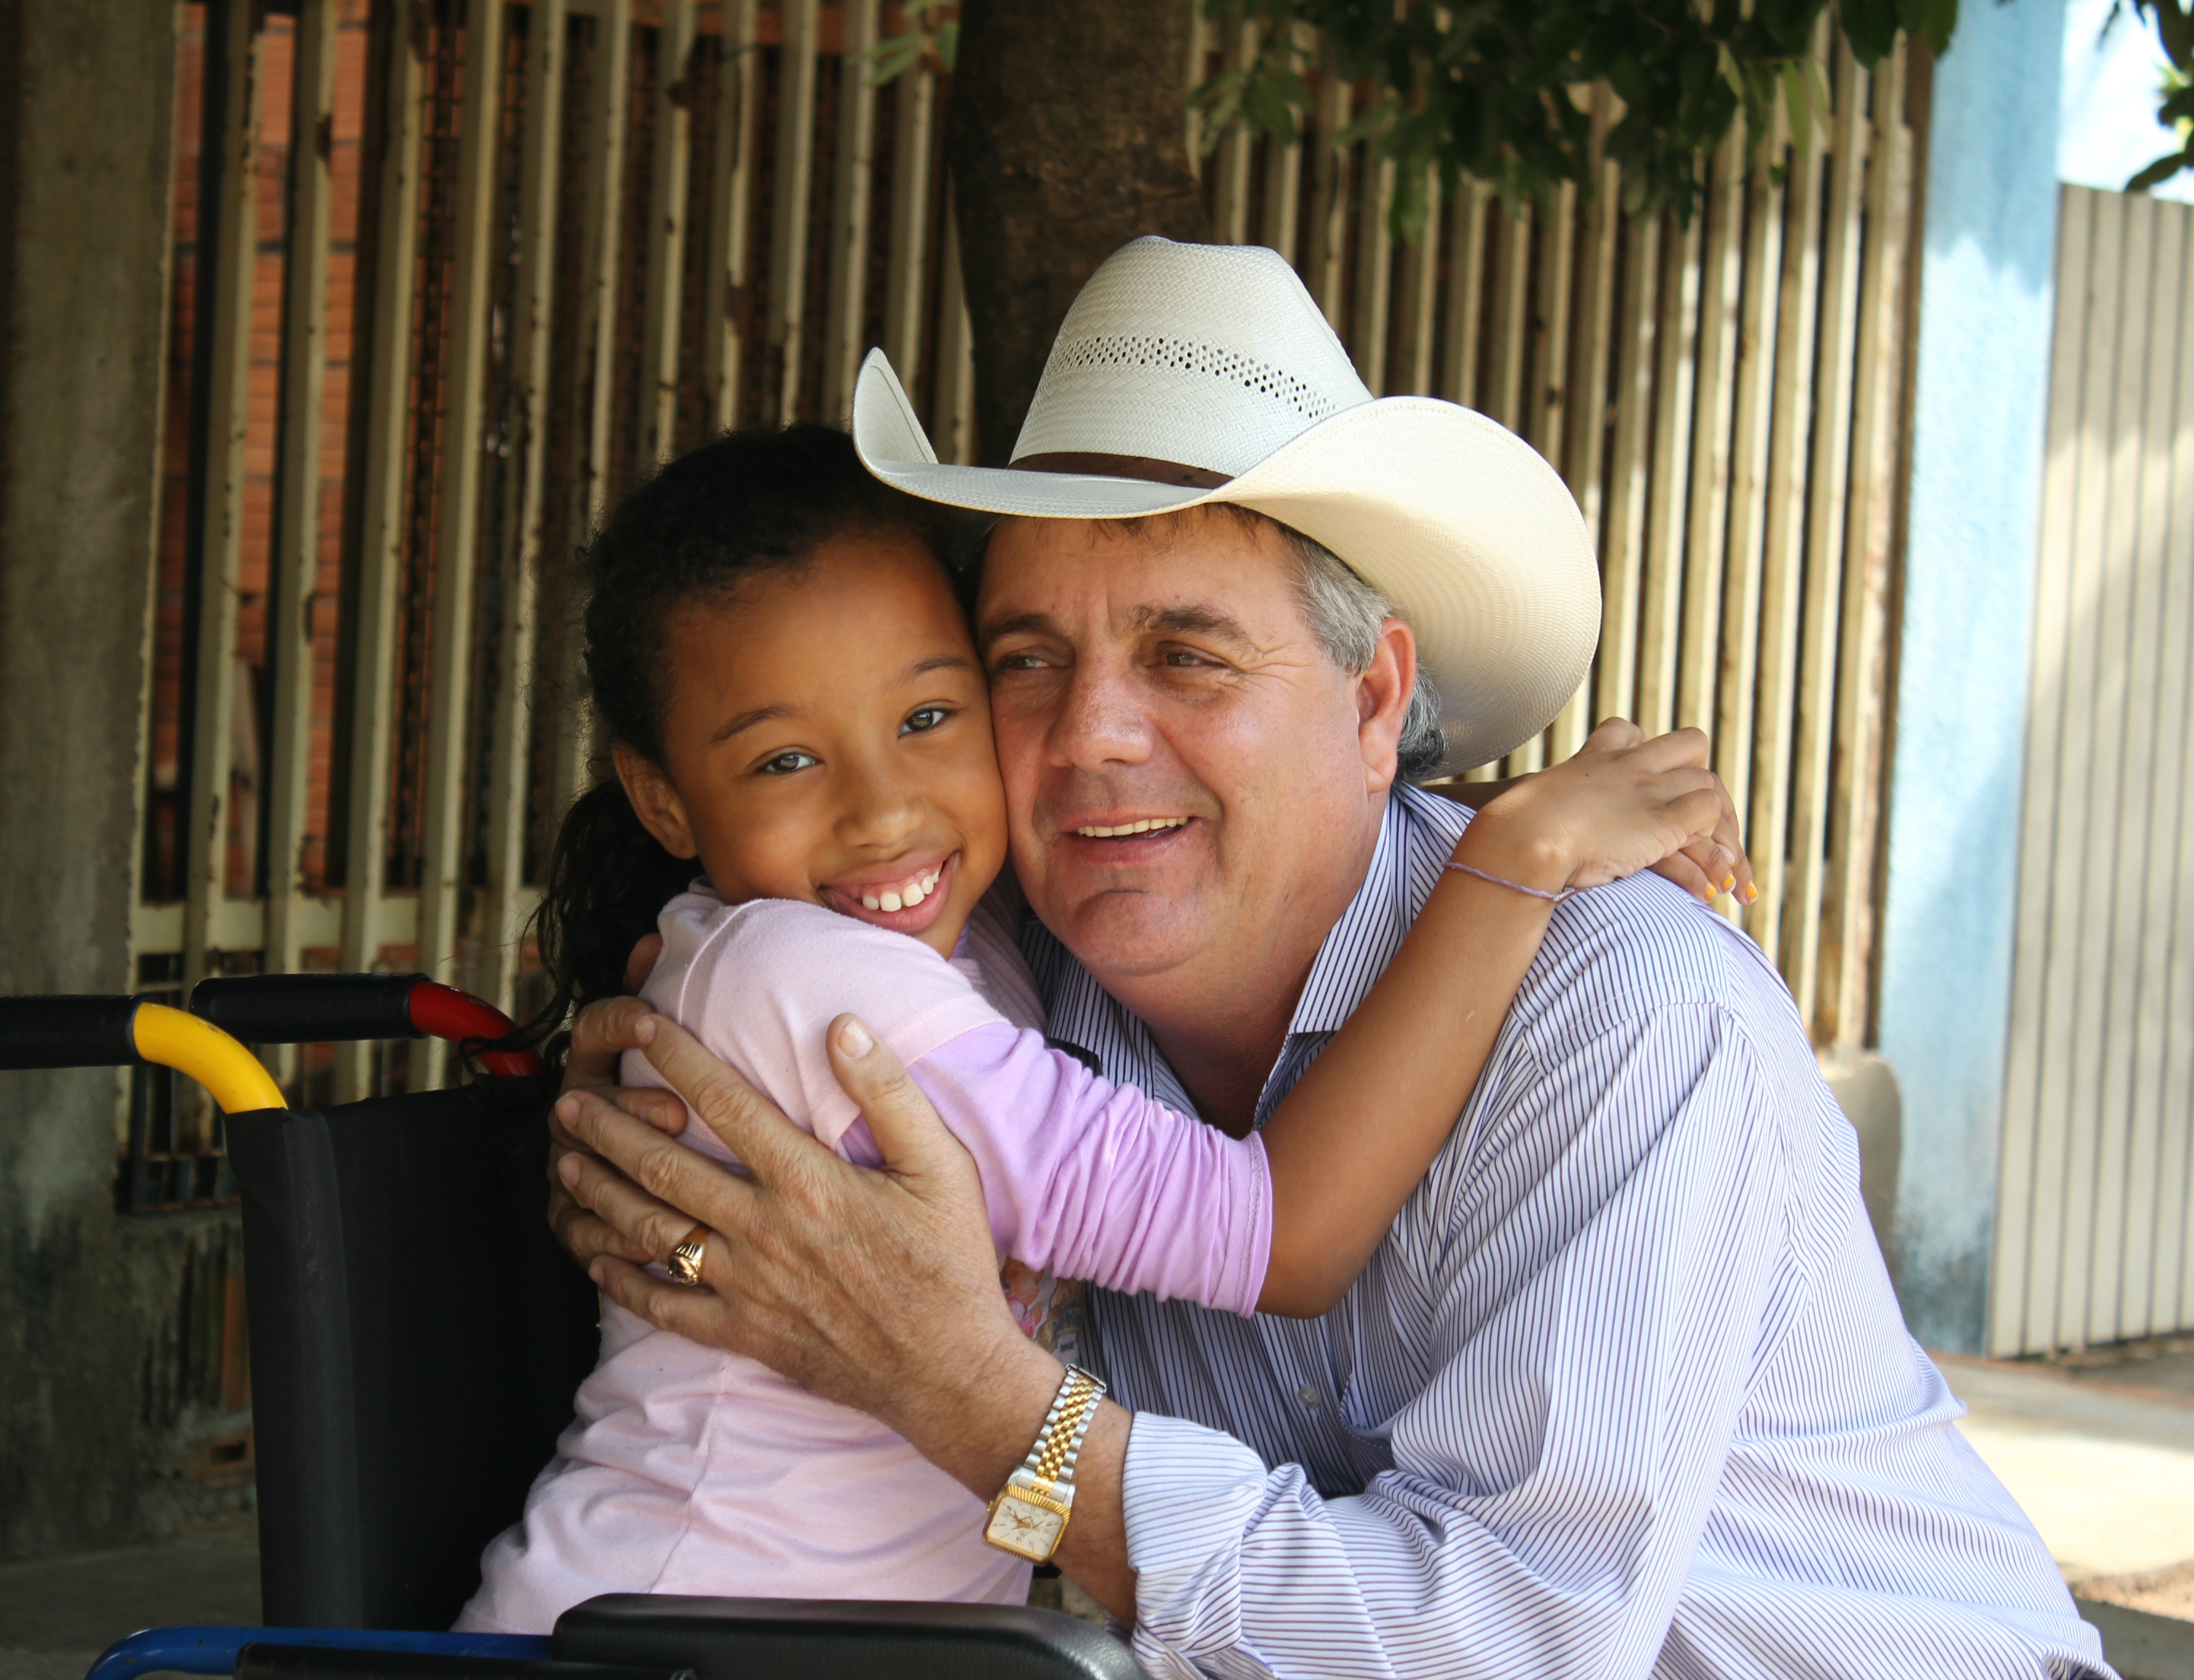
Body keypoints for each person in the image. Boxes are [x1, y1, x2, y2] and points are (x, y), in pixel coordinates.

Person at [545, 239, 2112, 1679]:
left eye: (1186, 657)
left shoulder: (1629, 1013)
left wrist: (978, 1406)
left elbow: (1502, 1646)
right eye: (1028, 663)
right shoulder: (1009, 979)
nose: (1091, 739)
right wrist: (660, 1159)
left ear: (1375, 710)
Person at [456, 423, 1734, 1636]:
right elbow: (1277, 1235)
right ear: (663, 797)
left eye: (926, 718)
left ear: (1371, 701)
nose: (885, 813)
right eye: (1033, 664)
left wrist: (1446, 818)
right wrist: (1511, 861)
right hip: (665, 1637)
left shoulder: (979, 931)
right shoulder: (843, 973)